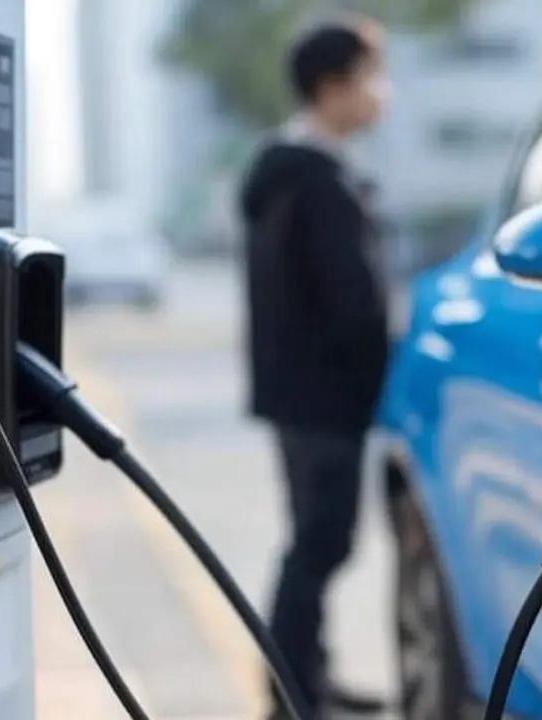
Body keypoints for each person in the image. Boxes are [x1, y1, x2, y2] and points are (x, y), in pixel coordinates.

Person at [237, 15, 390, 719]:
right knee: (321, 546)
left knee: (311, 541)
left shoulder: (282, 171)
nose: (380, 95)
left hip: (293, 391)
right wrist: (387, 370)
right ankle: (292, 690)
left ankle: (307, 678)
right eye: (370, 77)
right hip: (327, 395)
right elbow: (353, 304)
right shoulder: (320, 181)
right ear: (332, 87)